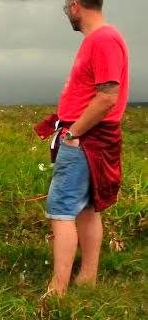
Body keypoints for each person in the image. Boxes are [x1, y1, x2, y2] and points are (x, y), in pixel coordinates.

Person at [38, 0, 128, 297]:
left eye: (66, 6)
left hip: (84, 138)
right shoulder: (100, 39)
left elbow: (107, 97)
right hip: (87, 138)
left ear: (76, 6)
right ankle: (87, 279)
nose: (66, 12)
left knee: (61, 211)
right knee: (87, 209)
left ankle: (57, 290)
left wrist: (73, 133)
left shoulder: (103, 39)